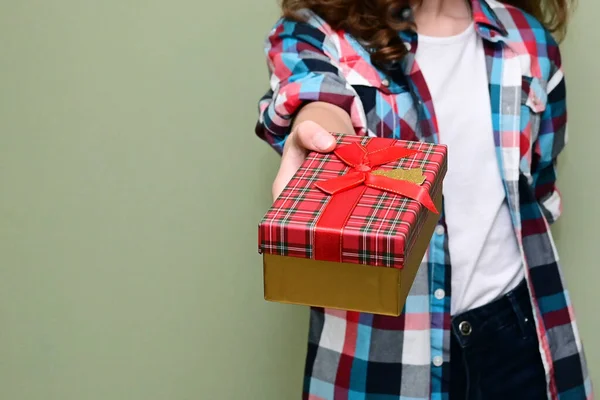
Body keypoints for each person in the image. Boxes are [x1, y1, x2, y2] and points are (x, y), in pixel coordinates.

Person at [254, 0, 592, 398]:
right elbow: (318, 99)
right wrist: (321, 135)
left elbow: (537, 184)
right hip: (382, 348)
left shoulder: (528, 39)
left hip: (516, 337)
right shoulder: (315, 33)